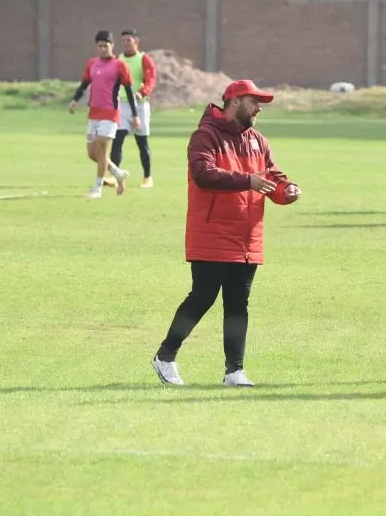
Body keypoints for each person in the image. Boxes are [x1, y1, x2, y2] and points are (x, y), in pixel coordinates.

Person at [151, 80, 301, 387]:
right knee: (202, 297)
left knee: (237, 304)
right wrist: (247, 181)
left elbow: (271, 177)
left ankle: (235, 371)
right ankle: (165, 356)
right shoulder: (205, 136)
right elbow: (203, 174)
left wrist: (287, 190)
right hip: (212, 233)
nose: (259, 109)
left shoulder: (258, 140)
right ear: (234, 101)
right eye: (254, 102)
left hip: (247, 237)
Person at [68, 30, 139, 199]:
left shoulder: (120, 65)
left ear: (112, 45)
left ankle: (97, 189)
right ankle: (118, 173)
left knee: (102, 151)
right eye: (99, 46)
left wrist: (135, 114)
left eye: (105, 46)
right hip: (94, 113)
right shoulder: (92, 63)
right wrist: (75, 100)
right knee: (92, 154)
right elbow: (84, 84)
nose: (102, 49)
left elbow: (129, 91)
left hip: (110, 114)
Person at [105, 29, 156, 189]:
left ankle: (147, 177)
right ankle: (115, 176)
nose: (126, 43)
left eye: (129, 40)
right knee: (117, 139)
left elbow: (150, 80)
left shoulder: (144, 59)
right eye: (123, 41)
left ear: (136, 41)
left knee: (142, 143)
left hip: (140, 106)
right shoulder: (118, 60)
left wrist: (142, 93)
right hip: (123, 106)